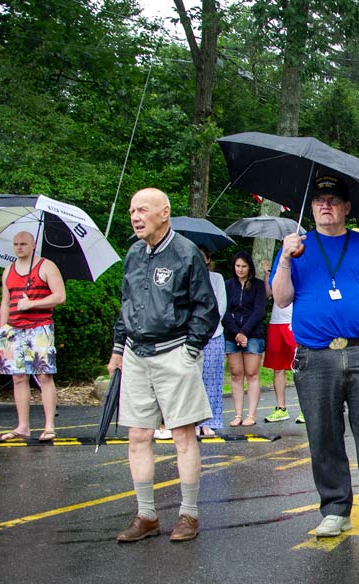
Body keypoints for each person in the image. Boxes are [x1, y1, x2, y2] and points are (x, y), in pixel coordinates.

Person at [271, 174, 359, 540]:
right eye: (318, 200)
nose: (325, 205)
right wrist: (285, 258)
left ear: (347, 207)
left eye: (333, 199)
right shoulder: (295, 248)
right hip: (315, 357)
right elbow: (281, 298)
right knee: (323, 437)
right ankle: (335, 510)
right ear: (311, 206)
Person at [107, 187, 219, 543]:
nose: (135, 216)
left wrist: (190, 350)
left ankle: (189, 514)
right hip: (137, 354)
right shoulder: (134, 253)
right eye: (130, 210)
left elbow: (207, 308)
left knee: (183, 435)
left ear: (164, 212)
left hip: (175, 352)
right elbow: (127, 303)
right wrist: (118, 347)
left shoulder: (186, 253)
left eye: (141, 209)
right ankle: (146, 515)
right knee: (138, 435)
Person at [0, 231, 66, 442]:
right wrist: (3, 329)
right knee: (18, 377)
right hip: (13, 329)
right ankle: (23, 426)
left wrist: (32, 303)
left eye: (23, 244)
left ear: (33, 245)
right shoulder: (8, 270)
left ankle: (49, 426)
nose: (19, 247)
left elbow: (60, 296)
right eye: (16, 244)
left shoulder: (46, 266)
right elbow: (5, 302)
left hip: (40, 326)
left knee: (44, 375)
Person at [224, 250, 267, 428]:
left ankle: (251, 414)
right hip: (232, 334)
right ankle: (237, 414)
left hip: (253, 333)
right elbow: (223, 310)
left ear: (249, 267)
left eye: (243, 266)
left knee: (252, 373)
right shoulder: (228, 285)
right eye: (237, 266)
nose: (240, 269)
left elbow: (259, 311)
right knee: (236, 374)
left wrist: (245, 332)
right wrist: (236, 332)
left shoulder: (257, 286)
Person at [260, 257, 298, 423]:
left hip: (293, 321)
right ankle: (281, 408)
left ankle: (306, 408)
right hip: (276, 321)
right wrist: (267, 273)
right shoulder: (278, 266)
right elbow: (268, 293)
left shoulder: (298, 264)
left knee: (299, 366)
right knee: (277, 368)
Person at [199, 247, 227, 437]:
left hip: (213, 334)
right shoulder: (186, 275)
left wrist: (207, 328)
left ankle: (210, 421)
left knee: (212, 380)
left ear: (208, 259)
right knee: (191, 382)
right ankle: (191, 422)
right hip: (190, 336)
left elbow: (221, 306)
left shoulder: (216, 278)